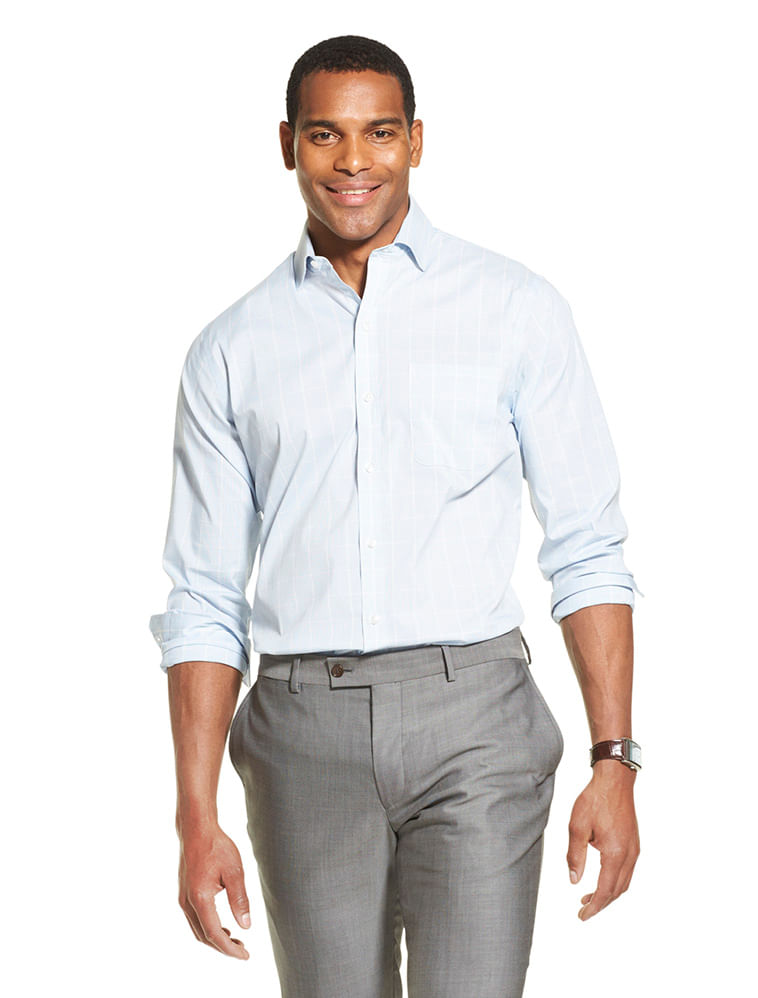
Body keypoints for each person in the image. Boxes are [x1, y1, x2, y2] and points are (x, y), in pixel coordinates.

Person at [149, 34, 643, 998]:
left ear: (416, 140)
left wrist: (614, 760)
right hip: (303, 731)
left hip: (477, 720)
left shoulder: (516, 309)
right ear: (286, 144)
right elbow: (204, 594)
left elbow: (588, 547)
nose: (353, 161)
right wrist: (195, 817)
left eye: (379, 132)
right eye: (325, 134)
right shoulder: (231, 349)